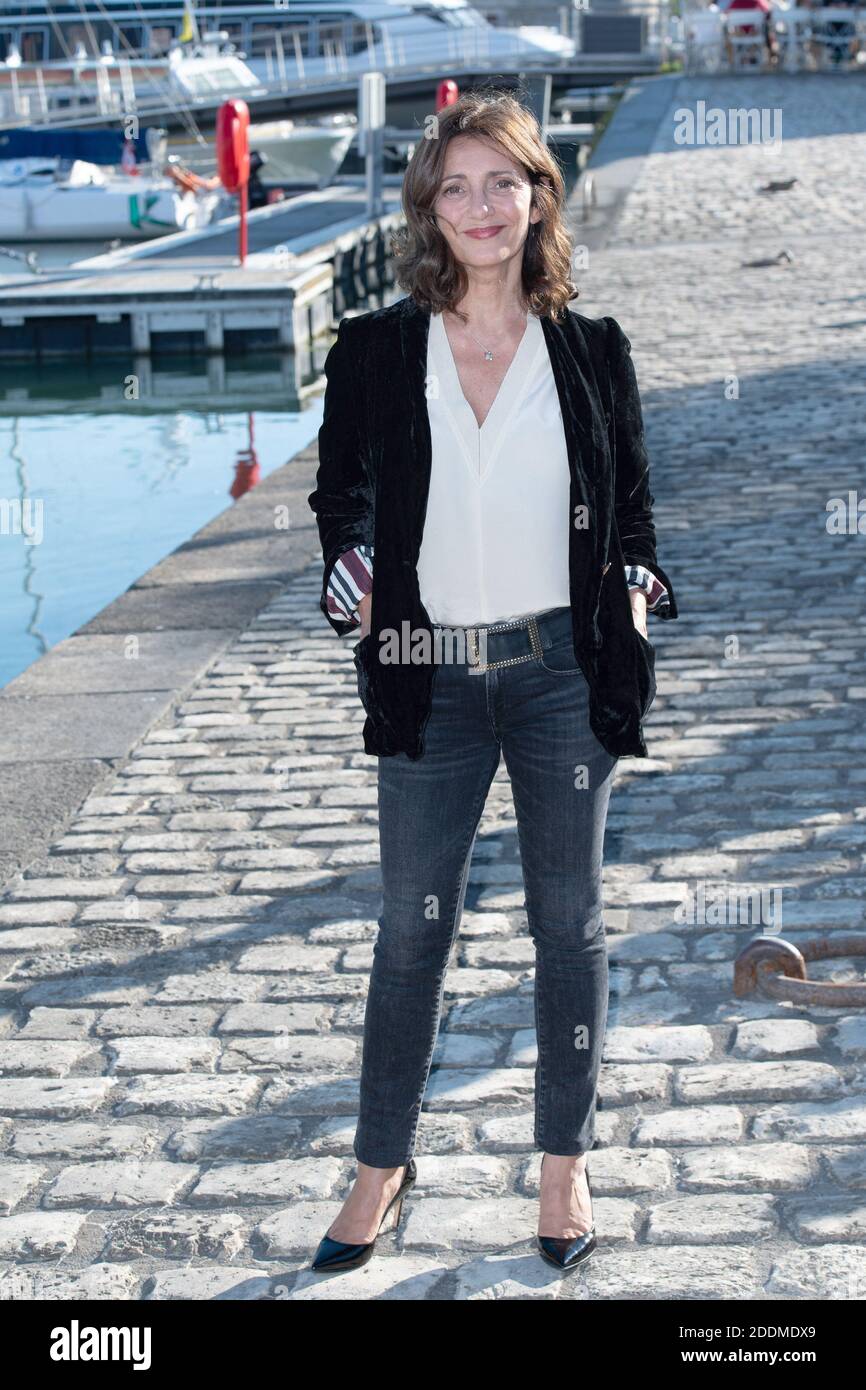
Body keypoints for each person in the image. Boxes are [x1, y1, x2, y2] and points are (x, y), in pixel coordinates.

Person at [306, 88, 678, 1276]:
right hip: (427, 678)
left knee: (567, 925)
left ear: (534, 198)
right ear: (430, 207)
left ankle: (561, 1167)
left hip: (561, 675)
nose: (478, 205)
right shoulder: (373, 349)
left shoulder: (589, 349)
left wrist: (632, 585)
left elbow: (632, 512)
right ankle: (379, 1164)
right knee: (409, 935)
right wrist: (351, 568)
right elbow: (340, 503)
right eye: (455, 186)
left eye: (500, 182)